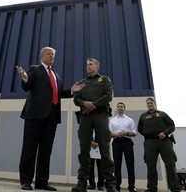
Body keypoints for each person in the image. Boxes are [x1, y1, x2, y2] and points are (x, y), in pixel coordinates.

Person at [16, 46, 85, 191]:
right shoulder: (34, 69)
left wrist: (72, 90)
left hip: (52, 117)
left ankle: (42, 181)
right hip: (34, 115)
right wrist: (24, 77)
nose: (51, 56)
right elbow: (27, 86)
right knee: (30, 148)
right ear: (41, 56)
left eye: (53, 54)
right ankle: (26, 180)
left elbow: (57, 94)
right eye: (48, 54)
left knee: (46, 150)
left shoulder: (56, 75)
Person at [72, 58, 118, 192]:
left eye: (91, 64)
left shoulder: (104, 80)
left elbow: (108, 96)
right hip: (85, 116)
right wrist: (84, 104)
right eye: (87, 65)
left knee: (104, 148)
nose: (88, 67)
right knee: (84, 150)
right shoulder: (82, 82)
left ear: (97, 66)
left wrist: (93, 105)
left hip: (100, 115)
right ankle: (81, 184)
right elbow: (76, 99)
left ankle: (110, 184)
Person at [137, 98, 180, 192]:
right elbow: (140, 129)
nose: (150, 104)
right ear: (146, 105)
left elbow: (171, 125)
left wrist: (165, 133)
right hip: (150, 142)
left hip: (164, 141)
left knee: (170, 164)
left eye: (151, 103)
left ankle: (175, 188)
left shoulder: (162, 114)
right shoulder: (143, 116)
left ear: (154, 104)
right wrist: (149, 134)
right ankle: (152, 187)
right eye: (148, 103)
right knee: (150, 165)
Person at [109, 102, 137, 192]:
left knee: (130, 165)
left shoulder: (130, 120)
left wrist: (126, 133)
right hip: (116, 142)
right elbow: (109, 134)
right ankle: (117, 187)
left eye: (122, 107)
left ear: (125, 109)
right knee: (117, 165)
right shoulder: (112, 121)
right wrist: (117, 134)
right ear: (116, 109)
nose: (120, 108)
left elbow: (134, 133)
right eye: (118, 107)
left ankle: (131, 187)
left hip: (127, 142)